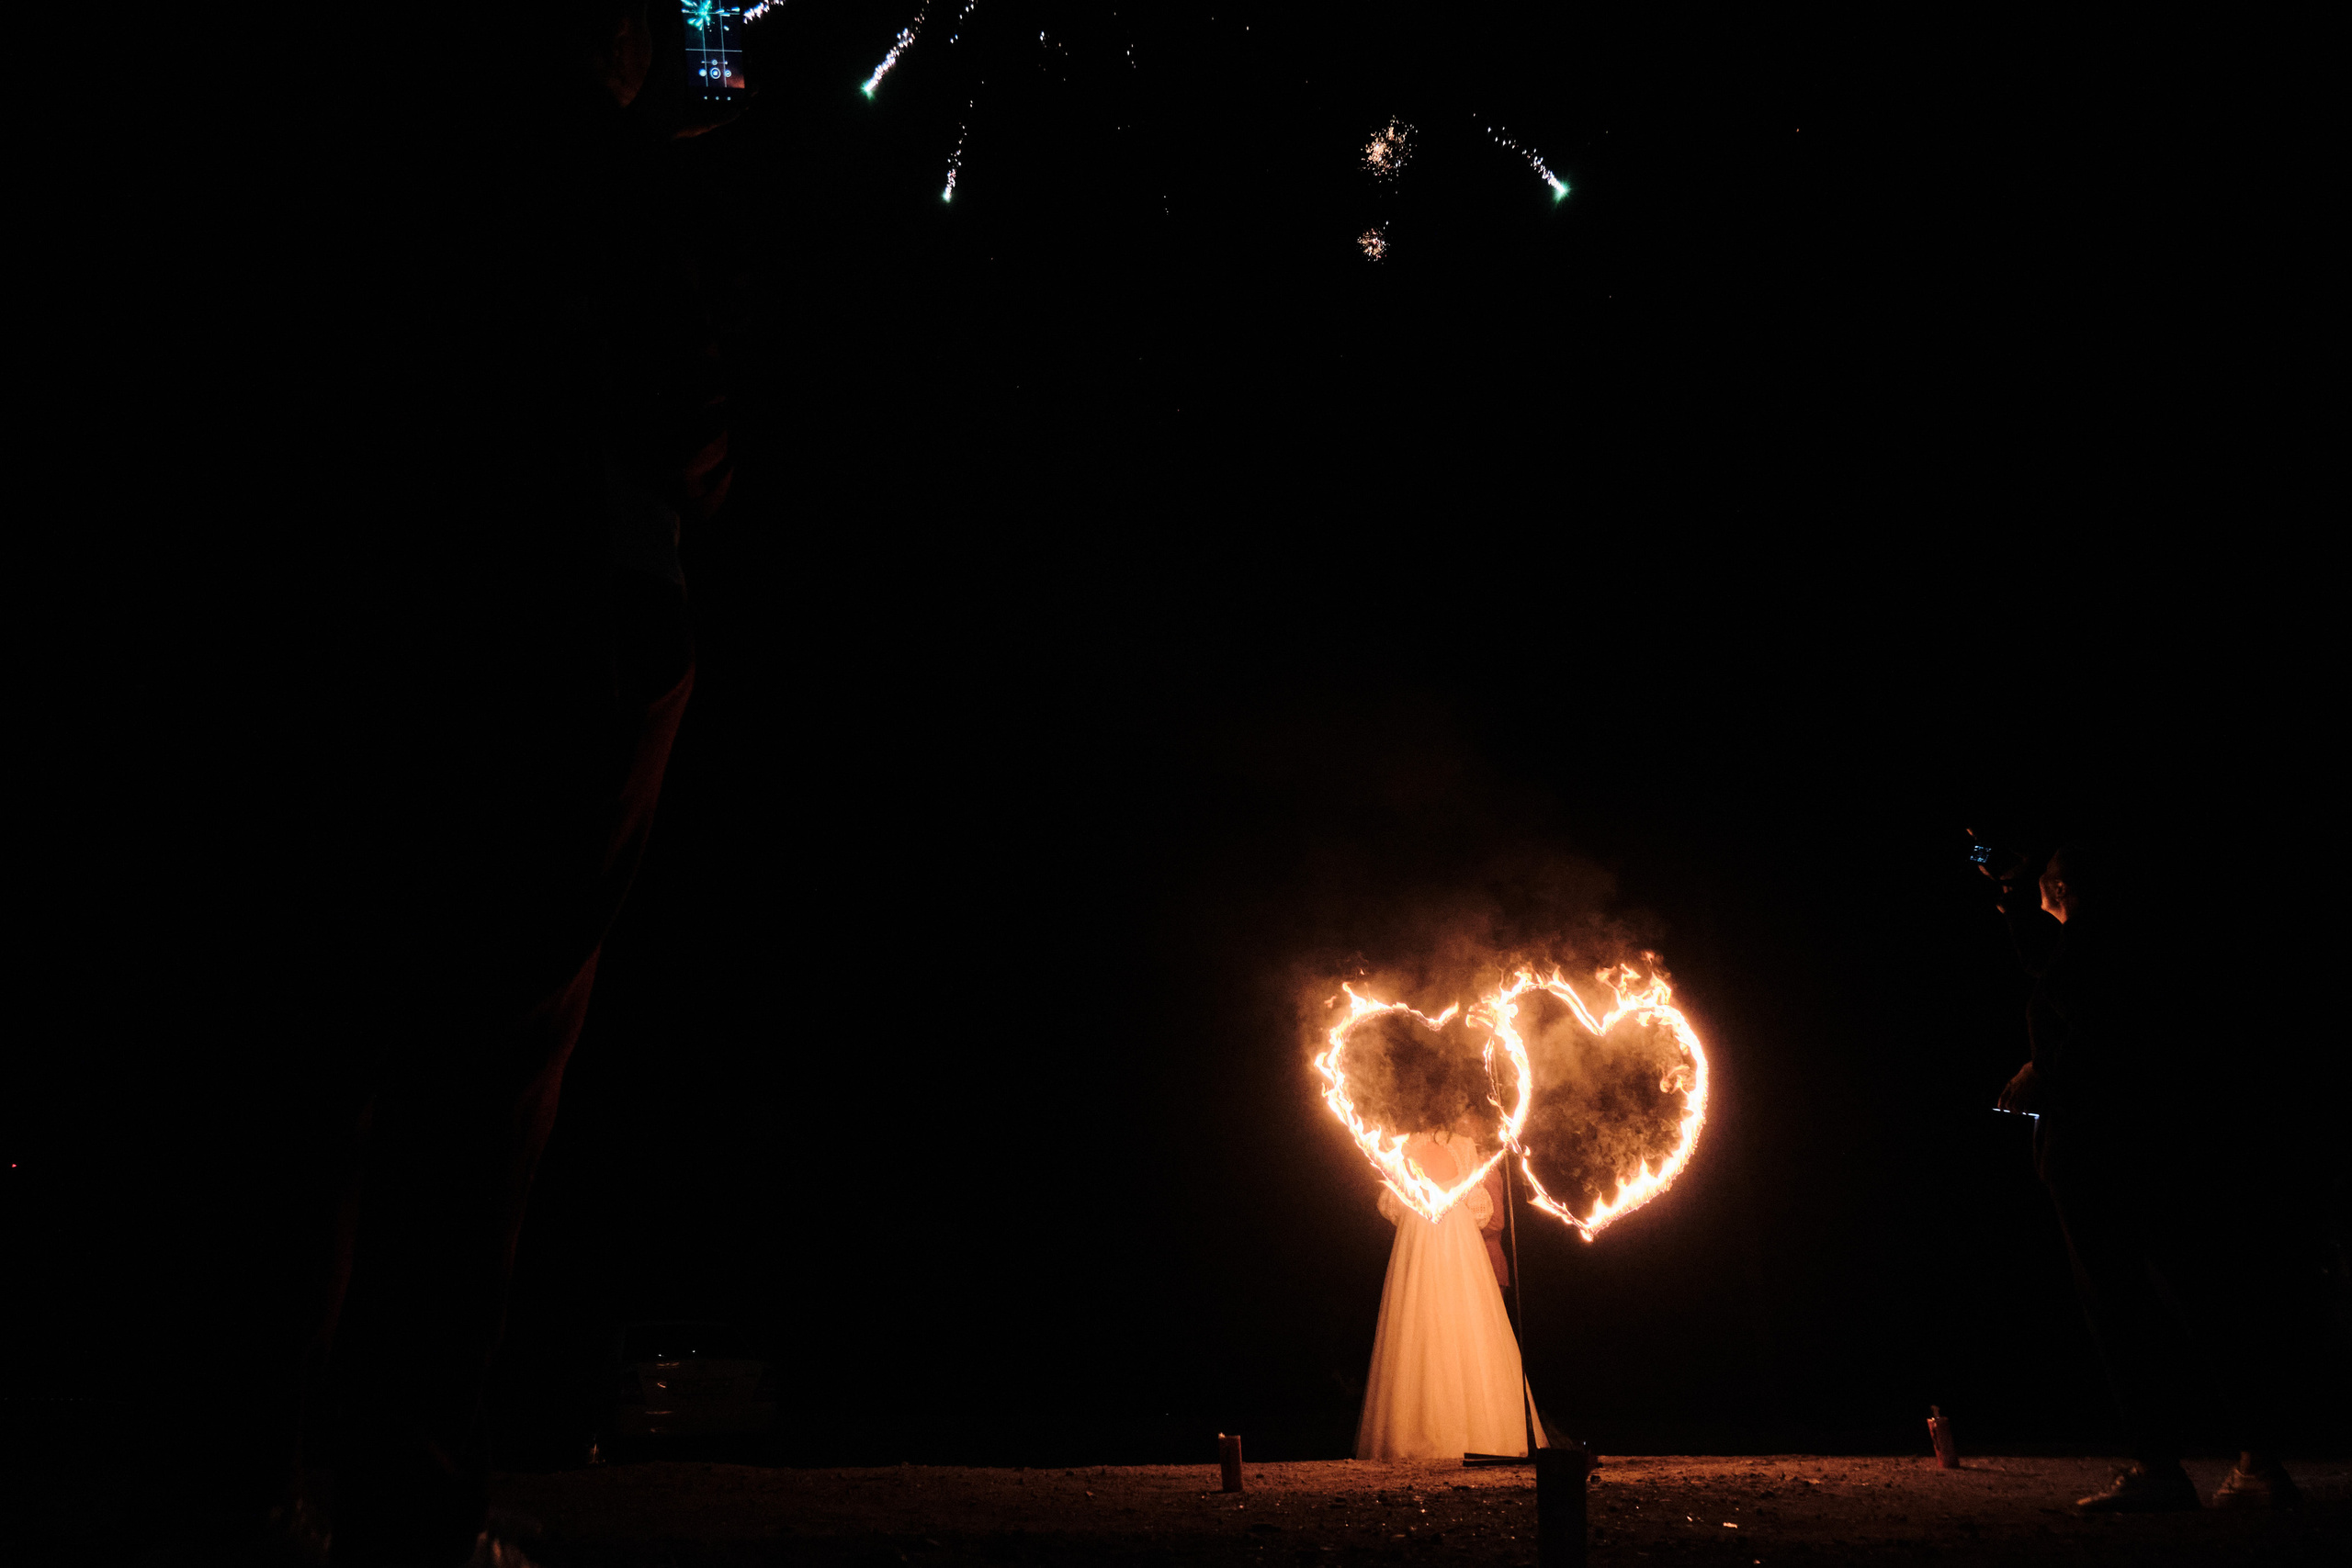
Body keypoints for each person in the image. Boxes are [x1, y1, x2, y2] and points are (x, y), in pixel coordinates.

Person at [1986, 843, 2301, 1513]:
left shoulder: (2096, 955)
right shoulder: (2119, 947)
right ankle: (2256, 1458)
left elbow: (2085, 1022)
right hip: (2151, 1148)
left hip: (2099, 1151)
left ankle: (2160, 1465)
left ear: (2062, 885)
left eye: (2040, 882)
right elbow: (2053, 973)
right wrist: (2015, 908)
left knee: (2120, 1307)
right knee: (2197, 1293)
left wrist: (2045, 1072)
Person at [1354, 1117, 1548, 1460]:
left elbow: (1389, 1205)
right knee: (1469, 1324)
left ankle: (1406, 1434)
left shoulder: (1406, 1143)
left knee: (1416, 1321)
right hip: (1459, 1239)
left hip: (1416, 1235)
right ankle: (1488, 1432)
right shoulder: (1462, 1145)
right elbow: (1481, 1210)